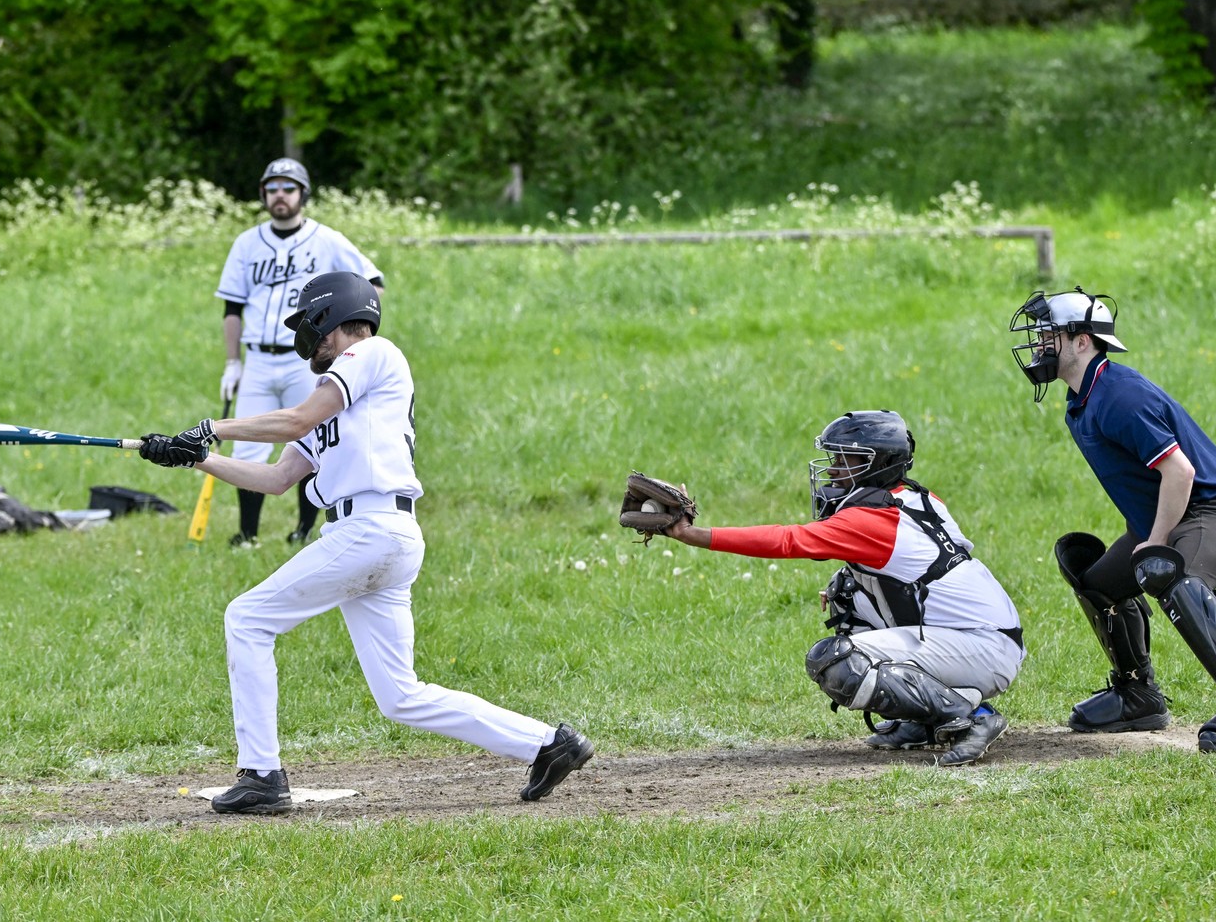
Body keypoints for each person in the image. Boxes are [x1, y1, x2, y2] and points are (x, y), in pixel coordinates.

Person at [142, 271, 595, 813]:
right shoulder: (333, 397)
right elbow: (276, 479)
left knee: (247, 618)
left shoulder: (370, 353)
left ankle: (261, 775)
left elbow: (295, 420)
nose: (307, 339)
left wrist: (213, 425)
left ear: (332, 317)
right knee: (400, 696)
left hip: (372, 528)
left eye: (310, 324)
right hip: (377, 535)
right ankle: (549, 743)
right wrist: (197, 458)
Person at [659, 410, 1024, 766]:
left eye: (846, 459)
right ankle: (926, 720)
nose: (833, 469)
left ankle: (972, 718)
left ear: (878, 464)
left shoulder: (871, 521)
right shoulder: (917, 498)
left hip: (982, 647)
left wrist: (693, 535)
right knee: (846, 593)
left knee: (836, 660)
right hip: (986, 638)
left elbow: (789, 540)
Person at [1009, 287, 1216, 752]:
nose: (1038, 346)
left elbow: (1181, 471)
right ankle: (1137, 696)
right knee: (1097, 580)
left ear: (1081, 342)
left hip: (1210, 508)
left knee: (1174, 576)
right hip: (1173, 510)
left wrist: (1155, 542)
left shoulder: (1118, 395)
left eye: (1047, 335)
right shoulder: (1082, 399)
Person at [215, 157, 385, 547]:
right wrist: (232, 362)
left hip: (307, 357)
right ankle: (247, 535)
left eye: (288, 188)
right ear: (263, 194)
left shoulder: (328, 239)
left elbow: (371, 284)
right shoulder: (246, 243)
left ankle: (304, 530)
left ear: (302, 194)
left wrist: (351, 338)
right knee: (249, 446)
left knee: (309, 440)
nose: (279, 195)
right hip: (257, 357)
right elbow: (231, 308)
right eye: (272, 187)